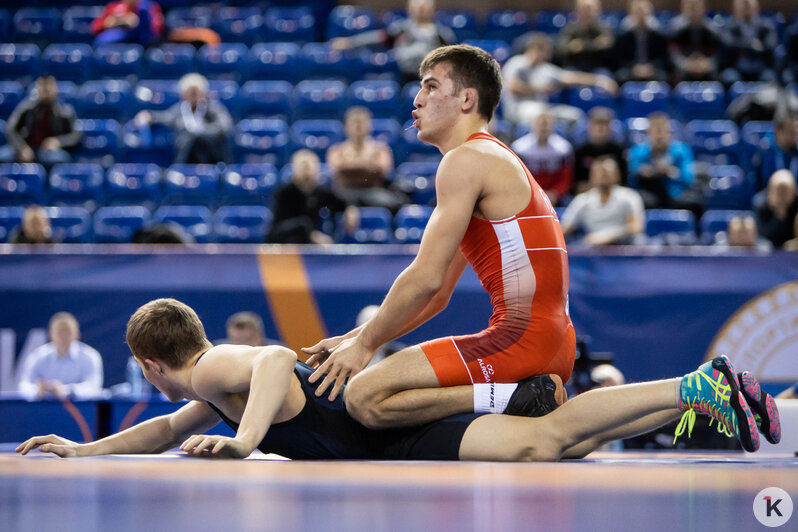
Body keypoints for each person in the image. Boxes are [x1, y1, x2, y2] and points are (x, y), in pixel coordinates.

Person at [16, 298, 780, 459]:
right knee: (557, 447)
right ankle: (704, 403)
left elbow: (278, 357)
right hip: (393, 441)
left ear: (152, 364)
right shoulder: (209, 390)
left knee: (546, 439)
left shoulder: (217, 368)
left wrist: (247, 441)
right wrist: (82, 452)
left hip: (395, 429)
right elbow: (160, 430)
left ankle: (696, 386)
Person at [302, 44, 575, 431]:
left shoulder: (465, 160)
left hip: (521, 341)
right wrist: (358, 336)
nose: (416, 100)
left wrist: (364, 347)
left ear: (467, 99)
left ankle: (512, 395)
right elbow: (439, 294)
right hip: (555, 343)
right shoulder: (491, 158)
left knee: (365, 396)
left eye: (431, 87)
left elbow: (425, 277)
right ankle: (524, 396)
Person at [501, 32, 618, 126]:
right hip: (518, 110)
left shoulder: (544, 68)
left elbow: (571, 77)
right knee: (543, 116)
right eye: (545, 51)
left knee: (574, 115)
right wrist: (539, 89)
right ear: (534, 49)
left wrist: (599, 80)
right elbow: (512, 86)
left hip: (542, 110)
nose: (548, 56)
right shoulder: (516, 62)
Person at [330, 0, 456, 84]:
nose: (421, 11)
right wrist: (350, 42)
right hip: (404, 77)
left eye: (424, 7)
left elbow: (453, 57)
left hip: (431, 78)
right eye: (417, 7)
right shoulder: (400, 30)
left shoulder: (442, 34)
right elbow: (376, 38)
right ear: (410, 9)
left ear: (431, 10)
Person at [134, 73, 233, 165]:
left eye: (196, 92)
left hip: (211, 157)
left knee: (194, 138)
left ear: (203, 93)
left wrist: (199, 132)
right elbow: (165, 117)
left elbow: (224, 126)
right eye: (190, 93)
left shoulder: (214, 109)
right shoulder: (180, 110)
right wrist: (148, 116)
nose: (193, 96)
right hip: (186, 159)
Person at [326, 107, 407, 213]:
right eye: (354, 123)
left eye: (362, 123)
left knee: (393, 204)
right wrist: (368, 164)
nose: (358, 127)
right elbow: (337, 169)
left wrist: (350, 165)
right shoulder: (337, 150)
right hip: (345, 193)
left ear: (369, 126)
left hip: (373, 192)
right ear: (346, 127)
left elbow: (383, 170)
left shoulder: (381, 149)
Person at [268, 149, 359, 244]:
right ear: (294, 169)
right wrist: (310, 234)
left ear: (317, 169)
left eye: (309, 166)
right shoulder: (284, 193)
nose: (306, 170)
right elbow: (277, 228)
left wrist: (350, 208)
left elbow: (342, 202)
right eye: (302, 166)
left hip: (310, 246)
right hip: (287, 245)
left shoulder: (319, 192)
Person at [17, 312, 103, 400]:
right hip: (43, 409)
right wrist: (38, 391)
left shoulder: (90, 356)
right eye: (59, 331)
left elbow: (94, 387)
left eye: (67, 330)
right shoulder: (38, 356)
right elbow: (24, 386)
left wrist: (67, 391)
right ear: (51, 334)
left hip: (80, 411)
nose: (63, 335)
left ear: (77, 334)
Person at [561, 156, 644, 246]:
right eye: (598, 172)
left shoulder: (629, 196)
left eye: (607, 173)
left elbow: (636, 227)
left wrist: (606, 237)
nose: (602, 175)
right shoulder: (582, 200)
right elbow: (565, 228)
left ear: (617, 175)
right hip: (593, 249)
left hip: (625, 246)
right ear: (591, 177)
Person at [0, 76, 82, 167]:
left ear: (55, 88)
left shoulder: (65, 111)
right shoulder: (26, 107)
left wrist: (58, 141)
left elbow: (76, 135)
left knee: (59, 158)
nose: (46, 89)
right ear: (37, 88)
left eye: (49, 86)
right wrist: (21, 147)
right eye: (42, 86)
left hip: (48, 151)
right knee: (3, 156)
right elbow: (10, 129)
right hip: (27, 147)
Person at [627, 112, 698, 211]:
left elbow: (688, 177)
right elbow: (631, 177)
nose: (659, 136)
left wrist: (672, 173)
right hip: (648, 192)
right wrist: (647, 173)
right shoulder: (638, 151)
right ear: (648, 133)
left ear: (669, 132)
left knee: (695, 203)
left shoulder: (682, 150)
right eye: (655, 131)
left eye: (662, 131)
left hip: (675, 192)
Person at [511, 110, 575, 206]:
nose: (543, 128)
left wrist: (555, 193)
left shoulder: (563, 148)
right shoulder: (519, 148)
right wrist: (533, 193)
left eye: (547, 125)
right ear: (532, 126)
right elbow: (517, 177)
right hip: (528, 194)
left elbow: (566, 178)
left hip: (554, 196)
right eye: (540, 125)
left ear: (553, 127)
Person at [719, 0, 778, 85]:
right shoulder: (728, 27)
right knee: (729, 77)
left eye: (748, 4)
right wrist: (752, 45)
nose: (745, 7)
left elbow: (770, 46)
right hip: (736, 67)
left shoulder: (767, 26)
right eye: (742, 4)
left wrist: (742, 47)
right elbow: (728, 44)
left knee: (769, 78)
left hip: (761, 68)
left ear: (757, 7)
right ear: (735, 8)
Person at [613, 0, 670, 84]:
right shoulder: (623, 36)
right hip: (630, 70)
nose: (641, 15)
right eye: (637, 11)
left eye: (644, 11)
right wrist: (633, 68)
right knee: (620, 76)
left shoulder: (659, 36)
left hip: (653, 69)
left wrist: (651, 68)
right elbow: (618, 60)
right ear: (630, 13)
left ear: (650, 13)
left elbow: (664, 58)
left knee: (664, 77)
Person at [573, 107, 627, 195]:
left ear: (610, 128)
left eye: (604, 124)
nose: (600, 128)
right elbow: (577, 185)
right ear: (589, 127)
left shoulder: (618, 151)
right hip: (586, 195)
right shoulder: (580, 152)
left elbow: (622, 183)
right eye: (597, 124)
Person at [668, 0, 724, 83]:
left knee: (720, 78)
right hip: (684, 69)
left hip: (707, 69)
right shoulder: (675, 28)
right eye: (690, 7)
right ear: (683, 8)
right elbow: (673, 53)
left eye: (696, 6)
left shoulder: (712, 29)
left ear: (703, 8)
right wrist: (686, 64)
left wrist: (708, 64)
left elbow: (719, 53)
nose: (693, 10)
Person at [557, 0, 614, 74]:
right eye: (584, 9)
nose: (587, 13)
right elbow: (561, 49)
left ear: (598, 11)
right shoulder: (570, 30)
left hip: (599, 69)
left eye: (590, 9)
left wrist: (580, 46)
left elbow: (609, 46)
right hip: (574, 68)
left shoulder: (604, 29)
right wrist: (595, 45)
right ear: (577, 11)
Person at [751, 114, 798, 192]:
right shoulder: (765, 154)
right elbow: (759, 184)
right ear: (779, 132)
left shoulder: (796, 154)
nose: (794, 136)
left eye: (795, 132)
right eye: (790, 131)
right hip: (770, 198)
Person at [754, 169, 798, 249]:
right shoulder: (761, 204)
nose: (782, 197)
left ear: (793, 191)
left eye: (785, 191)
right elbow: (764, 238)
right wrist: (779, 215)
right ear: (770, 191)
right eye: (779, 191)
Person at [91, 0, 164, 46]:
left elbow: (157, 30)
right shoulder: (114, 7)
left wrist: (136, 20)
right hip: (119, 39)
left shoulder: (149, 7)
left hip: (142, 39)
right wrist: (111, 22)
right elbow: (95, 27)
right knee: (102, 40)